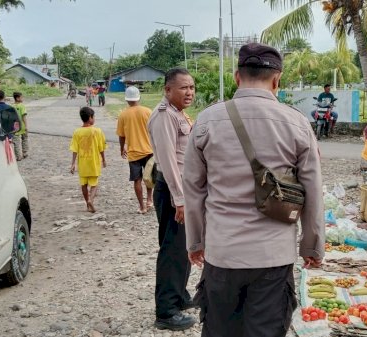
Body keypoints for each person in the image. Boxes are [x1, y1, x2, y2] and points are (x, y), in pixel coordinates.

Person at [184, 42, 324, 337]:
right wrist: (311, 246)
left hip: (222, 252)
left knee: (221, 330)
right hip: (272, 255)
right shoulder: (297, 123)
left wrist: (195, 242)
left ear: (237, 77)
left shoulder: (206, 121)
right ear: (277, 80)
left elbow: (194, 190)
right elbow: (312, 192)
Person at [147, 68, 197, 331]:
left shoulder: (177, 113)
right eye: (183, 88)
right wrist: (180, 200)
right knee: (173, 250)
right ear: (168, 90)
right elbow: (167, 161)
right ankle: (166, 311)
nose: (189, 92)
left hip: (180, 190)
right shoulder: (164, 116)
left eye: (191, 87)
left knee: (184, 248)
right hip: (172, 191)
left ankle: (180, 296)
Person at [116, 86, 154, 214]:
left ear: (127, 99)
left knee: (137, 180)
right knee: (149, 176)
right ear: (139, 97)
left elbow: (121, 136)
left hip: (133, 153)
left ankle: (142, 206)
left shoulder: (123, 115)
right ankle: (150, 200)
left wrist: (122, 149)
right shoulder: (148, 111)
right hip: (149, 150)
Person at [69, 107, 107, 213]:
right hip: (94, 162)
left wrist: (73, 164)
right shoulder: (97, 131)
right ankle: (91, 200)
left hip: (82, 163)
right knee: (94, 184)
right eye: (93, 117)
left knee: (84, 184)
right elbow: (101, 148)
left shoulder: (77, 132)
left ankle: (87, 204)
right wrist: (103, 159)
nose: (94, 119)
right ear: (90, 118)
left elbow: (74, 149)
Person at [12, 92, 29, 161]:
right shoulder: (22, 106)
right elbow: (24, 117)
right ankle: (24, 153)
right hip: (22, 125)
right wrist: (26, 126)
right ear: (17, 98)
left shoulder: (12, 106)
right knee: (24, 139)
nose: (22, 98)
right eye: (21, 97)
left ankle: (18, 156)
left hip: (15, 126)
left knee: (16, 141)